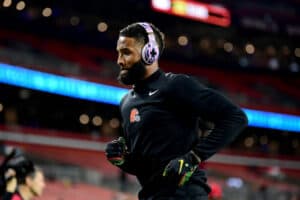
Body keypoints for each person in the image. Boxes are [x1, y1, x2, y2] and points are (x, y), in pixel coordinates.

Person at [105, 22, 248, 200]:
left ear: (150, 53)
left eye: (126, 52)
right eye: (119, 53)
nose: (119, 60)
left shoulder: (175, 85)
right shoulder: (126, 102)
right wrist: (123, 160)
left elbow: (235, 117)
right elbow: (146, 166)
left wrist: (193, 157)